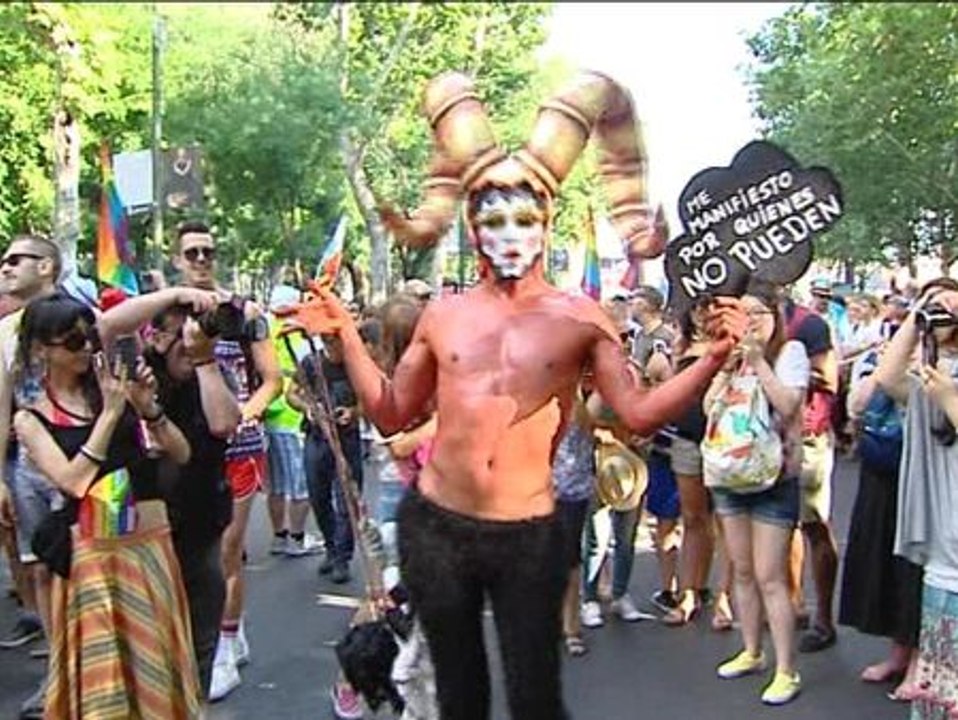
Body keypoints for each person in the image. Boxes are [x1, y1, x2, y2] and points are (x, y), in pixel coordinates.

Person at [294, 70, 747, 719]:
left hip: (527, 533)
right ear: (473, 228)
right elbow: (393, 411)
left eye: (523, 216)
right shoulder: (443, 314)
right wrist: (346, 336)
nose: (508, 232)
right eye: (491, 217)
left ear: (546, 222)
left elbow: (640, 412)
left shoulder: (582, 317)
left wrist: (714, 358)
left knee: (536, 692)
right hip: (436, 526)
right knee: (459, 695)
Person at [0, 233, 215, 717]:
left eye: (90, 338)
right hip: (92, 558)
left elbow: (179, 453)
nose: (86, 349)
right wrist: (110, 416)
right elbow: (73, 481)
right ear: (43, 351)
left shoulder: (109, 389)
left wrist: (150, 412)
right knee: (106, 687)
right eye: (74, 341)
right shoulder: (31, 419)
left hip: (147, 548)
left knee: (158, 673)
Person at [171, 221, 282, 701]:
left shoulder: (244, 312)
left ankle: (224, 646)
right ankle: (201, 635)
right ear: (176, 259)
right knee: (185, 555)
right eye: (191, 252)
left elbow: (272, 379)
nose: (200, 260)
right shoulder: (163, 312)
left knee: (227, 550)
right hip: (181, 448)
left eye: (207, 252)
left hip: (236, 446)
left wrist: (244, 417)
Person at [707, 281, 809, 706]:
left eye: (757, 314)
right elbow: (707, 408)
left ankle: (787, 669)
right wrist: (728, 368)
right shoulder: (731, 359)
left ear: (775, 316)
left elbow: (788, 405)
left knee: (770, 577)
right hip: (730, 474)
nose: (749, 323)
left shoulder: (791, 354)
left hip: (773, 479)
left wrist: (757, 363)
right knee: (742, 570)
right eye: (742, 314)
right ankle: (751, 650)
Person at [145, 304, 242, 699]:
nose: (191, 344)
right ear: (157, 337)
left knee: (199, 646)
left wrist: (203, 359)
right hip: (144, 536)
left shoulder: (213, 373)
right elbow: (106, 327)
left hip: (200, 528)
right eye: (180, 338)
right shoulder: (138, 373)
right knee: (152, 655)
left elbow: (224, 423)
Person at [874, 278, 958, 718]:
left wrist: (949, 397)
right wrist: (916, 315)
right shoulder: (935, 373)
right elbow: (887, 378)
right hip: (945, 555)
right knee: (941, 689)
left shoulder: (942, 384)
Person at [838, 338, 922, 702]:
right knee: (886, 563)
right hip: (881, 474)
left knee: (918, 569)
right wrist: (892, 359)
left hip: (924, 478)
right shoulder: (888, 359)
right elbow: (855, 407)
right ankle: (900, 653)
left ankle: (922, 660)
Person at [662, 299, 730, 628]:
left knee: (726, 522)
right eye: (698, 309)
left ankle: (725, 598)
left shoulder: (734, 343)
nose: (703, 315)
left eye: (709, 308)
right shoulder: (682, 345)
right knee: (692, 517)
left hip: (726, 439)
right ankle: (689, 592)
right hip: (688, 437)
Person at [784, 289, 841, 653]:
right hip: (765, 436)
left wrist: (785, 369)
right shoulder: (746, 321)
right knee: (780, 525)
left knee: (814, 524)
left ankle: (824, 617)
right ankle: (793, 604)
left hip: (807, 435)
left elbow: (830, 379)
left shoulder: (810, 324)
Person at [287, 332, 364, 585]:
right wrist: (309, 409)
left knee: (347, 500)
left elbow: (371, 398)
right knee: (318, 496)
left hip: (347, 440)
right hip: (317, 438)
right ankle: (331, 547)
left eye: (339, 342)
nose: (335, 348)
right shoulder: (311, 363)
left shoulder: (358, 364)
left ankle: (342, 556)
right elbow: (292, 393)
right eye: (330, 342)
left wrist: (353, 412)